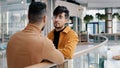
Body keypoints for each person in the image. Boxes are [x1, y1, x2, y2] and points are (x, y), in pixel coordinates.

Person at [6, 2, 64, 68]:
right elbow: (61, 59)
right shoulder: (44, 43)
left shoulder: (12, 38)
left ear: (28, 17)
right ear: (44, 18)